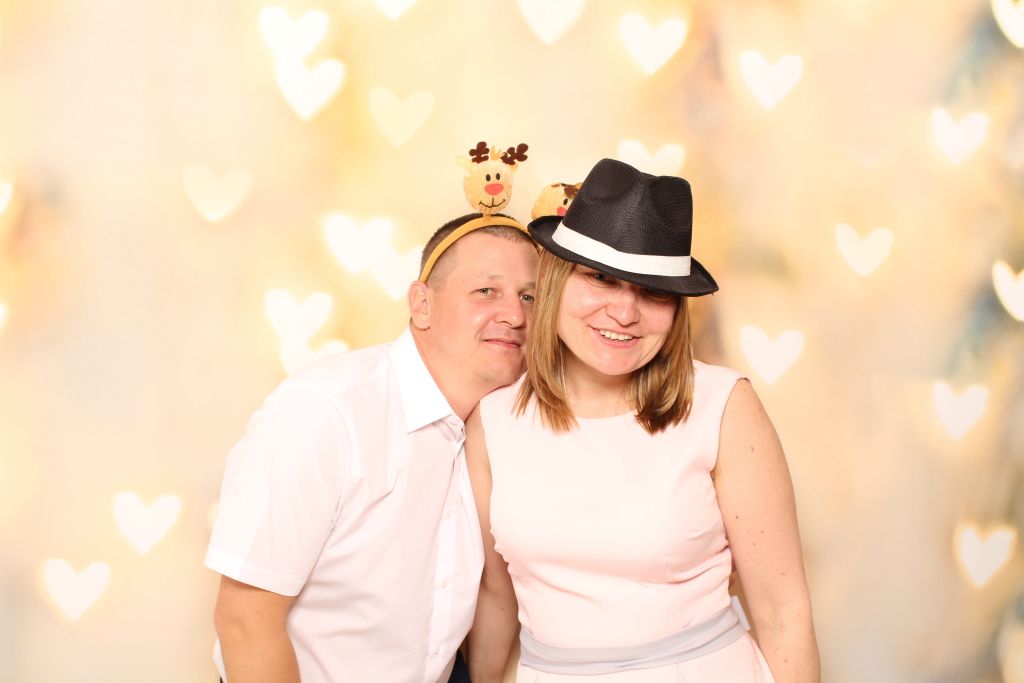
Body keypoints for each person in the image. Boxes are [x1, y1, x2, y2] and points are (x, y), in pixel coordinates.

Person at [465, 159, 820, 682]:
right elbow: (497, 597)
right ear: (557, 278)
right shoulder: (494, 421)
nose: (625, 313)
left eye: (653, 290)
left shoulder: (723, 406)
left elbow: (783, 612)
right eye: (601, 279)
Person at [205, 210, 538, 683]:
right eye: (487, 291)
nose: (515, 315)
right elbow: (244, 620)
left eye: (529, 297)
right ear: (422, 305)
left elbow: (492, 594)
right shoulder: (324, 413)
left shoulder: (503, 430)